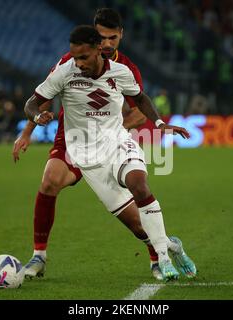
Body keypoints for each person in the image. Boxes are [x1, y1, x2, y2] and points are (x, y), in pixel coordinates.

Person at [24, 25, 197, 281]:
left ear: (97, 51)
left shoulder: (122, 71)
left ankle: (161, 257)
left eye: (83, 57)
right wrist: (36, 118)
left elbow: (140, 99)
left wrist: (160, 124)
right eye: (74, 57)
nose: (78, 63)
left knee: (139, 184)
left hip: (117, 144)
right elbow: (32, 102)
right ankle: (172, 246)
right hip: (88, 159)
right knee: (139, 227)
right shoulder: (64, 72)